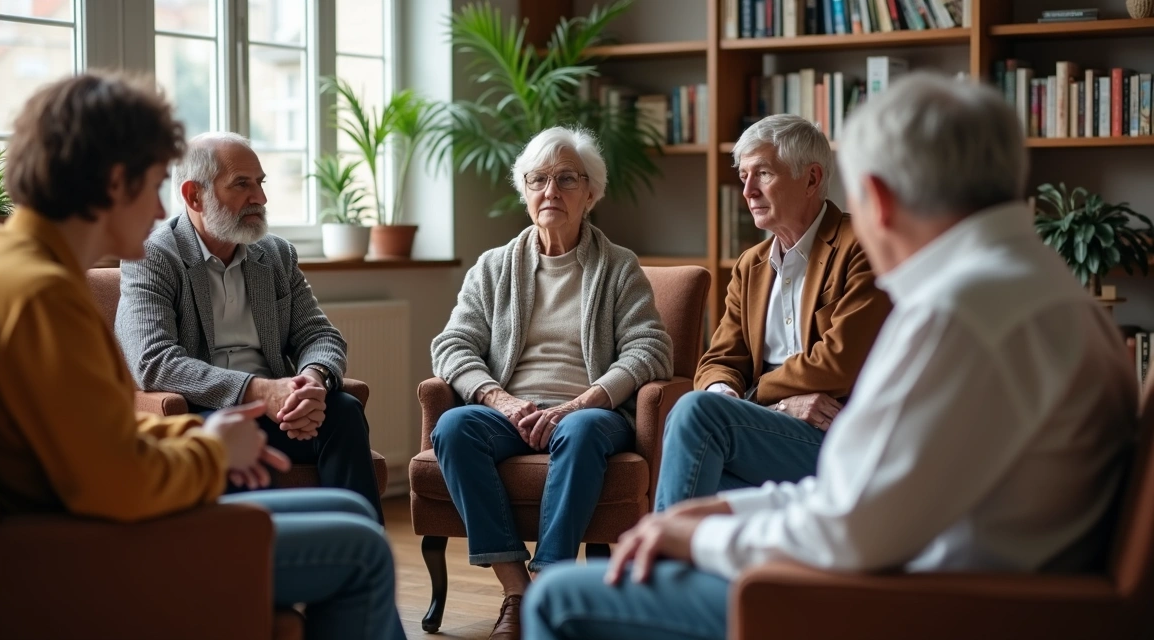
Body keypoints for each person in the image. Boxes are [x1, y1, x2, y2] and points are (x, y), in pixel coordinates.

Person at [523, 72, 1137, 640]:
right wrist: (724, 510)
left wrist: (702, 537)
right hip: (946, 566)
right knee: (695, 443)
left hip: (920, 597)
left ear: (876, 197)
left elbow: (851, 526)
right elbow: (863, 488)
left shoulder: (957, 313)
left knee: (556, 601)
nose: (747, 190)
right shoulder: (1038, 287)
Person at [0, 72, 405, 640]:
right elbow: (110, 481)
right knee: (359, 548)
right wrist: (211, 452)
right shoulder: (37, 294)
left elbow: (99, 440)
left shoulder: (15, 269)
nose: (163, 208)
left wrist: (205, 439)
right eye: (158, 183)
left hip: (84, 523)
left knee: (352, 513)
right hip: (83, 550)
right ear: (115, 182)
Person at [429, 125, 673, 639]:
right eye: (538, 179)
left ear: (591, 192)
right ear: (524, 191)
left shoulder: (618, 268)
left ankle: (551, 577)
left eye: (566, 179)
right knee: (453, 427)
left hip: (590, 413)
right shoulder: (493, 268)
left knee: (581, 431)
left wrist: (583, 401)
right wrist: (503, 401)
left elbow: (651, 349)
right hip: (509, 411)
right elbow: (450, 346)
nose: (550, 192)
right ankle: (518, 591)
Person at [114, 131, 383, 522]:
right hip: (205, 413)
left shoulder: (276, 255)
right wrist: (258, 391)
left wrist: (312, 379)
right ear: (194, 196)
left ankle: (361, 554)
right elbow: (154, 361)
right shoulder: (152, 257)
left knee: (342, 410)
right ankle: (255, 569)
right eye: (242, 184)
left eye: (260, 183)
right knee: (232, 435)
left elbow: (319, 335)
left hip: (283, 410)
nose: (260, 197)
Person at [654, 114, 891, 512]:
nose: (747, 191)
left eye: (762, 174)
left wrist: (749, 400)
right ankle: (684, 566)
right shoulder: (751, 264)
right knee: (699, 455)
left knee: (697, 415)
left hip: (839, 437)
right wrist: (726, 391)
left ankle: (656, 562)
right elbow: (719, 359)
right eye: (744, 176)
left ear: (812, 179)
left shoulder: (862, 246)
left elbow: (838, 363)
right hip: (767, 431)